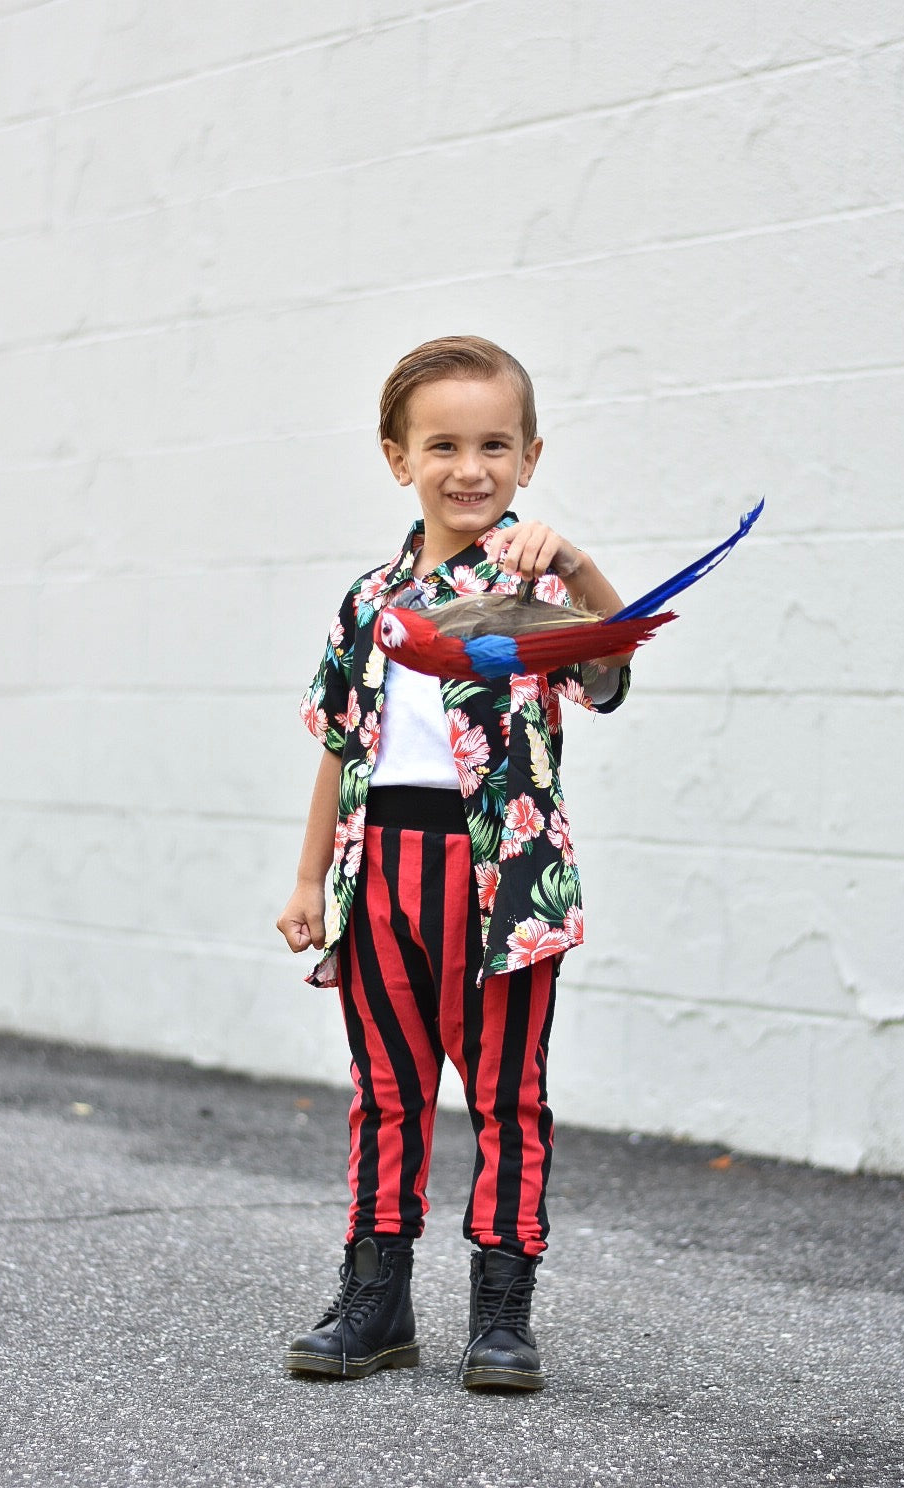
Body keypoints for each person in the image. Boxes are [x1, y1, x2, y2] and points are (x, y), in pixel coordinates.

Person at [277, 335, 634, 1390]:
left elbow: (610, 666)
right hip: (380, 865)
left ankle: (502, 1314)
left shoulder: (532, 583)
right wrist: (308, 880)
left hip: (505, 883)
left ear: (528, 456)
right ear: (399, 458)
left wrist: (573, 565)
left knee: (503, 1093)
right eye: (442, 444)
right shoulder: (367, 599)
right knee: (385, 1086)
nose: (468, 467)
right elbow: (343, 746)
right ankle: (376, 1300)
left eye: (493, 445)